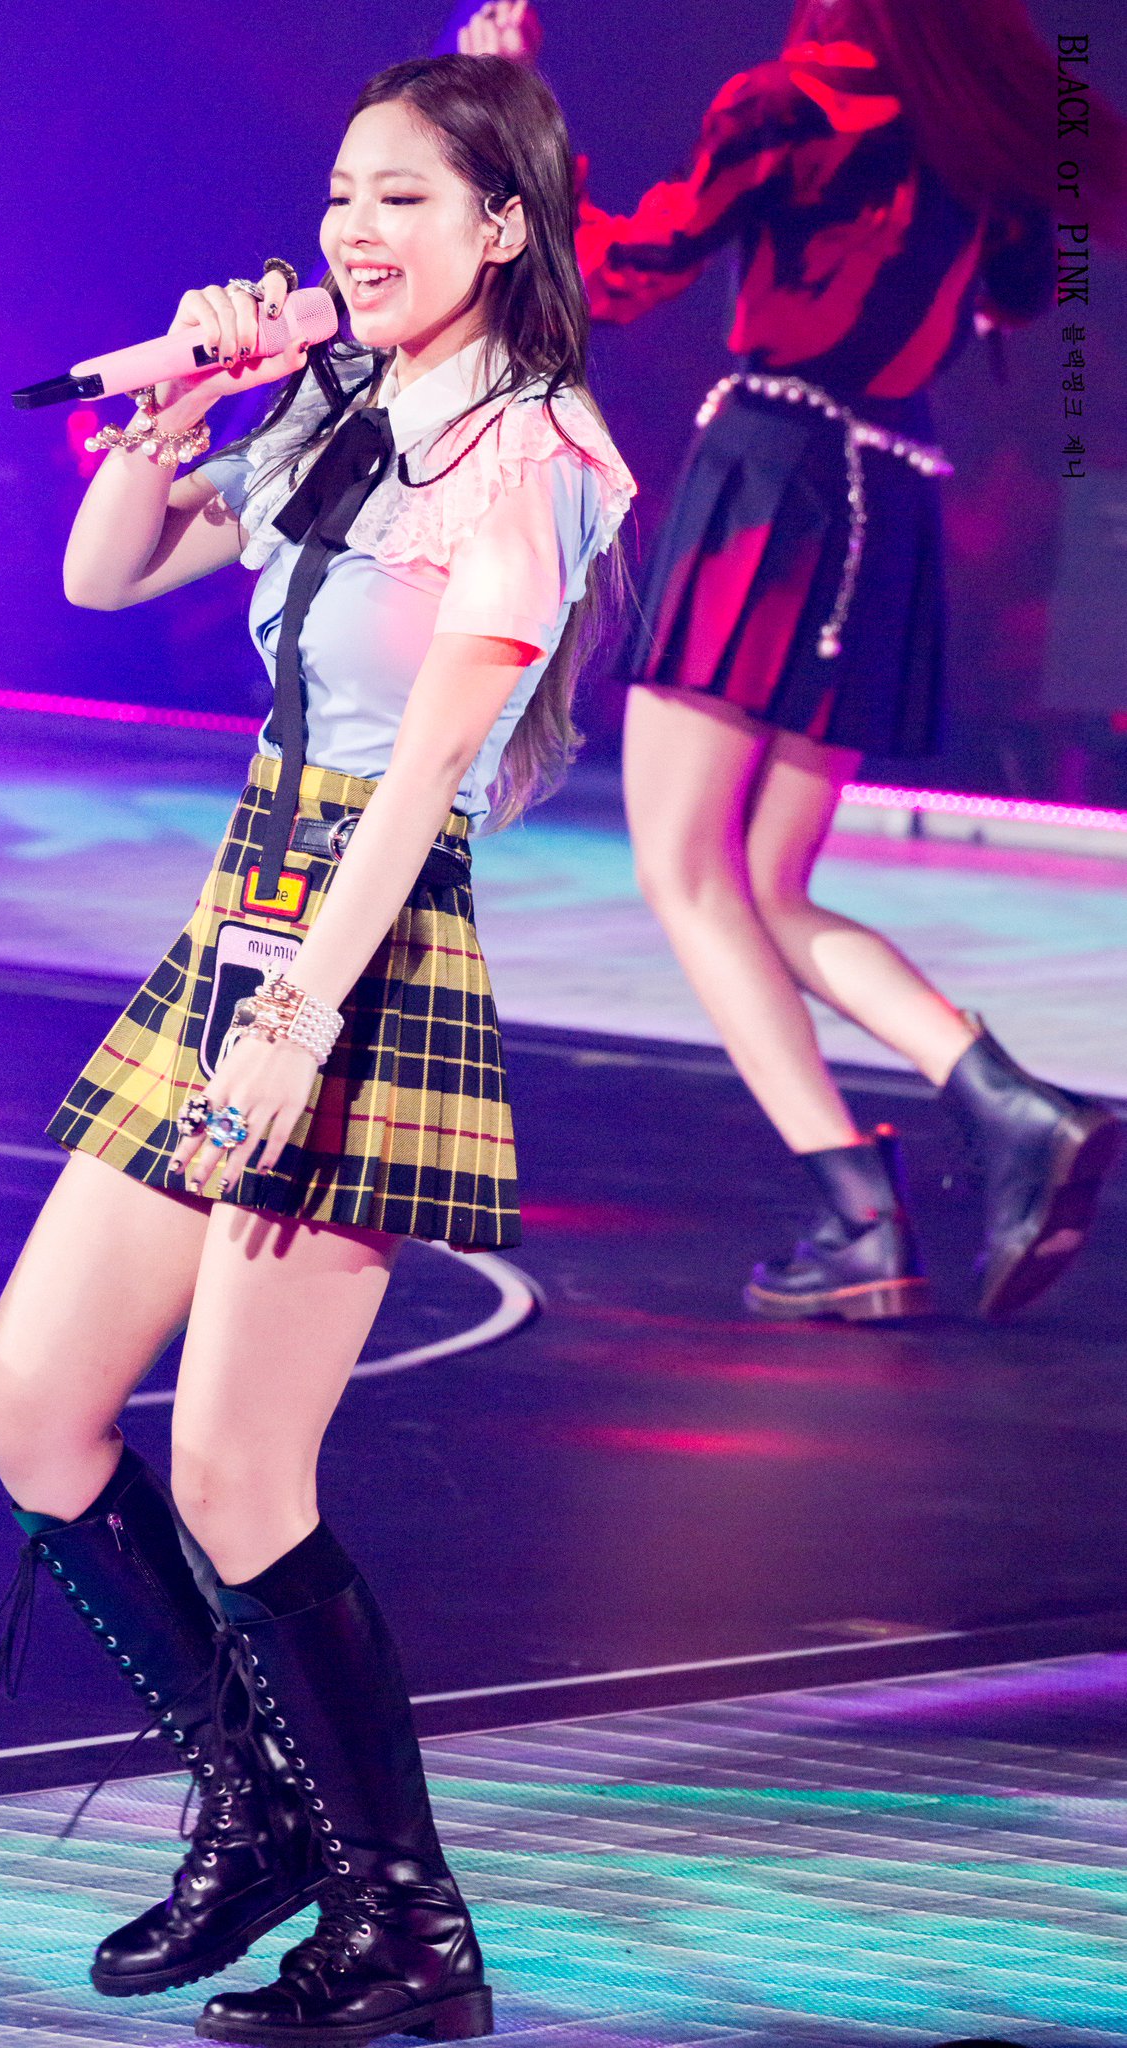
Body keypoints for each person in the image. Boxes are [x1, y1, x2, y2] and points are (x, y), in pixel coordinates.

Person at [0, 50, 632, 2048]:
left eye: (404, 196)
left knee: (241, 1470)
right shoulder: (337, 402)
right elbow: (102, 570)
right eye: (341, 193)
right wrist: (182, 404)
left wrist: (295, 1024)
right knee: (33, 1403)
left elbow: (423, 781)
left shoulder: (532, 454)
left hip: (360, 943)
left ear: (502, 226)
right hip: (236, 908)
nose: (352, 228)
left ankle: (407, 1930)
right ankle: (253, 1808)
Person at [459, 0, 1126, 1322]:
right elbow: (1019, 294)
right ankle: (1001, 1110)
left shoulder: (789, 102)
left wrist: (518, 114)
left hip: (773, 482)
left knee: (683, 869)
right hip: (894, 494)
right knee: (761, 882)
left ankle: (861, 1208)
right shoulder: (977, 139)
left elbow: (616, 275)